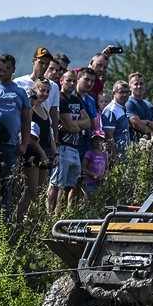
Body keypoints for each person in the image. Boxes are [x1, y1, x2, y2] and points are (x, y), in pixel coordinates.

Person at [0, 54, 31, 223]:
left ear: (12, 70)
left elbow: (27, 119)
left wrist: (24, 143)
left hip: (11, 145)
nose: (3, 72)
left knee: (7, 185)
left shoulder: (20, 91)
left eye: (6, 69)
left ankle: (2, 223)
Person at [46, 69, 90, 212]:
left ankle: (61, 213)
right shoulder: (60, 99)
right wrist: (76, 124)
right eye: (68, 80)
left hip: (74, 146)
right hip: (62, 145)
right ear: (61, 81)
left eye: (74, 81)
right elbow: (70, 126)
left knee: (69, 185)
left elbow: (88, 122)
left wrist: (74, 124)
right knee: (56, 183)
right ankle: (49, 213)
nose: (71, 84)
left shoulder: (76, 99)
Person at [17, 81, 56, 221]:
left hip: (45, 152)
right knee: (31, 190)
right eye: (41, 91)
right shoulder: (30, 110)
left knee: (40, 191)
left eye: (47, 91)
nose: (44, 94)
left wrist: (55, 152)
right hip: (33, 152)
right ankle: (22, 218)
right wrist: (43, 154)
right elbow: (32, 138)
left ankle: (31, 220)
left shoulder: (45, 111)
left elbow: (49, 134)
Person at [14, 47, 60, 143]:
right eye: (41, 62)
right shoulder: (19, 82)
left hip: (45, 130)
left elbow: (54, 113)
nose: (44, 66)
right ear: (33, 61)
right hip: (24, 129)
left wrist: (56, 138)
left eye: (47, 64)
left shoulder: (53, 86)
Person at [125, 73, 153, 142]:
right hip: (133, 147)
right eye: (135, 84)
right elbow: (137, 125)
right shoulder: (129, 103)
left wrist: (147, 122)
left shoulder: (148, 105)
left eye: (141, 83)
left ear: (145, 86)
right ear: (130, 87)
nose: (139, 86)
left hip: (147, 148)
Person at [101, 80, 132, 155]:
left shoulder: (122, 108)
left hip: (125, 155)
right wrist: (114, 157)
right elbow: (108, 137)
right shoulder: (111, 110)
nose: (124, 95)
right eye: (121, 92)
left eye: (127, 92)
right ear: (114, 93)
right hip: (116, 156)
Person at [81, 131, 109, 196]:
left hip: (100, 183)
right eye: (96, 140)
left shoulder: (105, 154)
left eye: (100, 140)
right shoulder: (89, 153)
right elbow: (83, 168)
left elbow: (107, 168)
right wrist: (93, 175)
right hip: (89, 183)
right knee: (89, 199)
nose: (98, 142)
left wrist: (104, 176)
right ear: (93, 141)